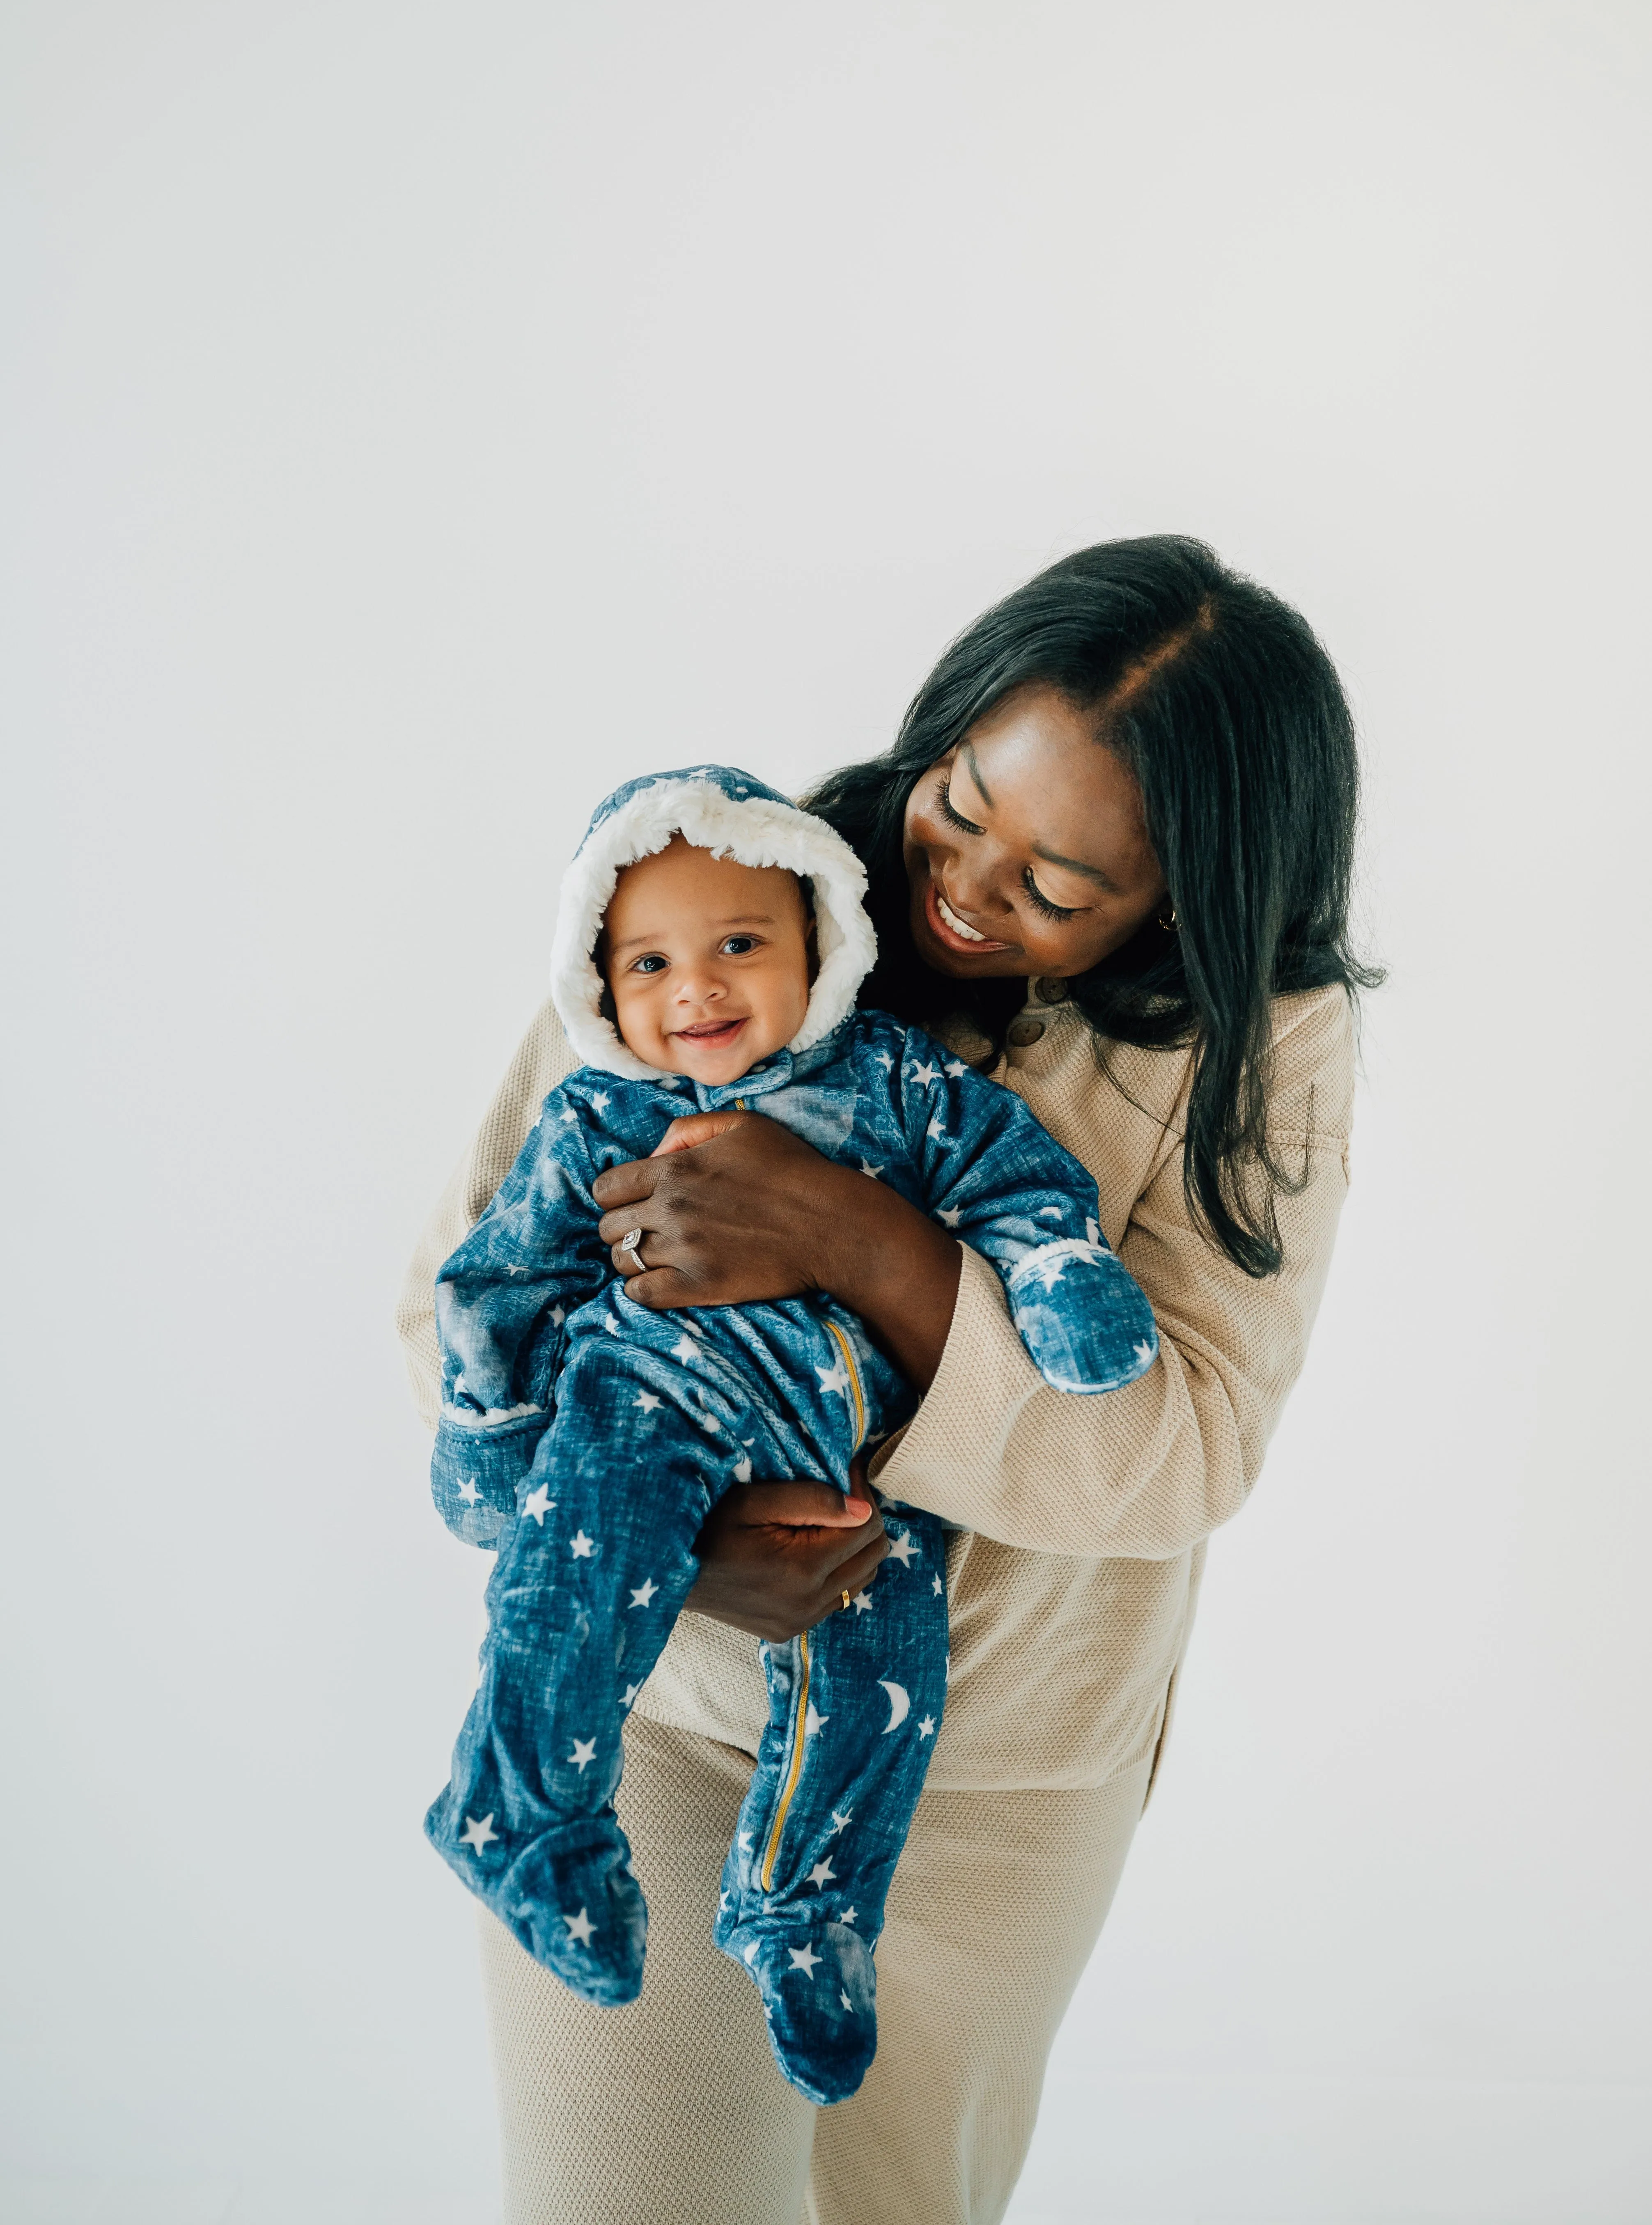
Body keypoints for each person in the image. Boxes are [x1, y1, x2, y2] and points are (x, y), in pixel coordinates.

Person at [397, 534, 1374, 2225]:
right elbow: (464, 1301)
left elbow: (1191, 1441)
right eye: (961, 801)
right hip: (663, 1713)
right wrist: (672, 1562)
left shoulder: (1254, 1039)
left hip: (1001, 1782)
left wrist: (865, 1243)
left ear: (1190, 898)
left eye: (1058, 885)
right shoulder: (718, 897)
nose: (970, 889)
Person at [423, 765, 1158, 2105]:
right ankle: (519, 1807)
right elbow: (497, 1280)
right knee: (573, 1585)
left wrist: (1059, 1278)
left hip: (862, 1458)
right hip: (643, 1406)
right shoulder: (594, 1111)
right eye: (649, 963)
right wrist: (490, 1442)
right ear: (597, 985)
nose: (694, 990)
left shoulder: (893, 1083)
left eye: (740, 947)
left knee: (886, 1683)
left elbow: (1014, 1177)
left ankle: (807, 1914)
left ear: (824, 948)